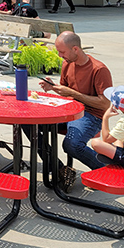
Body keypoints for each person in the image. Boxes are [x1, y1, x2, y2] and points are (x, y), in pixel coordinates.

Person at [35, 31, 112, 192]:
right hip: (69, 109)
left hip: (91, 115)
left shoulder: (99, 69)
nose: (60, 55)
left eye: (62, 52)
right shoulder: (67, 63)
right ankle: (59, 168)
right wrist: (53, 87)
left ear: (75, 49)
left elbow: (105, 105)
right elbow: (67, 91)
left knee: (72, 144)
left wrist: (74, 94)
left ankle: (104, 170)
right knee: (30, 124)